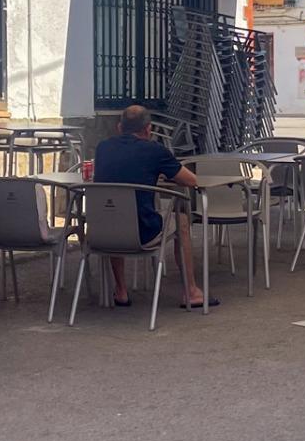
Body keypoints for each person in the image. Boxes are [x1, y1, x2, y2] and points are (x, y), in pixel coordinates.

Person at [91, 105, 215, 310]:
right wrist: (159, 171)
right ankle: (191, 292)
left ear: (119, 127)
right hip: (142, 232)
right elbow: (192, 180)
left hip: (102, 233)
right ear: (148, 130)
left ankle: (121, 290)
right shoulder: (155, 151)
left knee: (113, 212)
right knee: (182, 220)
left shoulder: (102, 148)